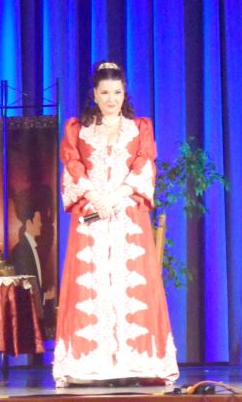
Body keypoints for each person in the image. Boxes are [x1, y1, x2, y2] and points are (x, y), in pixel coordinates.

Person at [52, 61, 178, 387]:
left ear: (125, 93)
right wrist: (95, 196)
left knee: (132, 284)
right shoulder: (78, 129)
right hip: (91, 216)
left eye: (117, 92)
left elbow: (143, 164)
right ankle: (89, 364)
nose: (111, 99)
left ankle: (137, 362)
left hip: (127, 214)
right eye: (105, 92)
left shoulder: (139, 128)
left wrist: (118, 197)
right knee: (90, 284)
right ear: (94, 94)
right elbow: (72, 165)